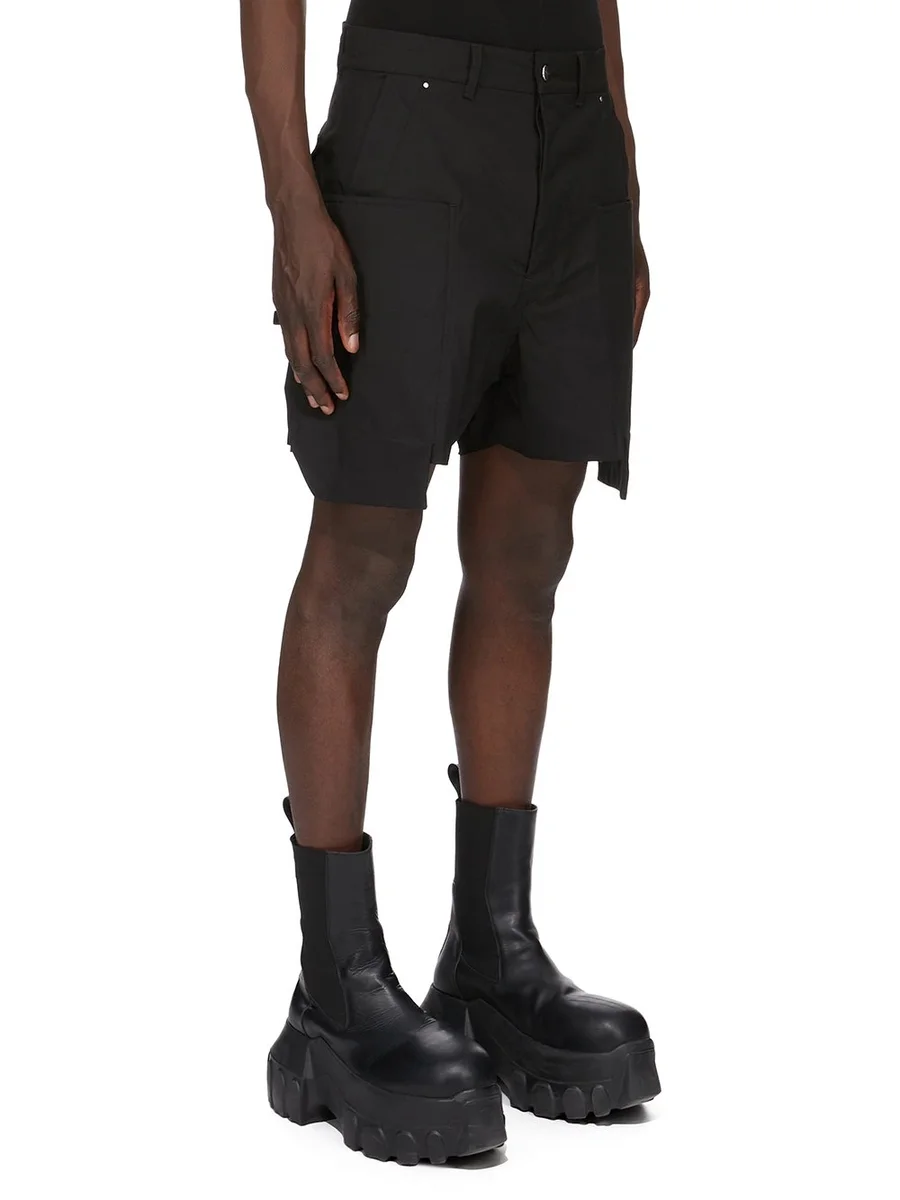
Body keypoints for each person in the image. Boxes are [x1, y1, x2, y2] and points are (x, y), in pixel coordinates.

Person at [241, 0, 659, 1164]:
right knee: (363, 554)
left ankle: (491, 955)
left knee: (528, 552)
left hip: (570, 129)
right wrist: (291, 201)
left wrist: (620, 165)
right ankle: (335, 993)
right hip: (410, 125)